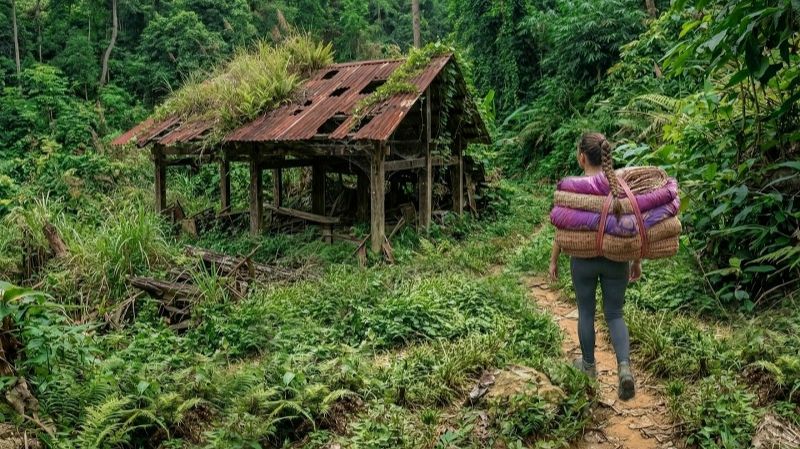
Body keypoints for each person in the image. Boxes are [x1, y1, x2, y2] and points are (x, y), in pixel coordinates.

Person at [548, 132, 641, 401]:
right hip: (616, 260)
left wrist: (554, 259)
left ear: (581, 158)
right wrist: (636, 260)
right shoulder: (618, 187)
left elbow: (563, 227)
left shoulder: (574, 188)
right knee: (614, 313)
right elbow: (632, 225)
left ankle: (588, 367)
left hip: (583, 261)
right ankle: (624, 368)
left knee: (586, 312)